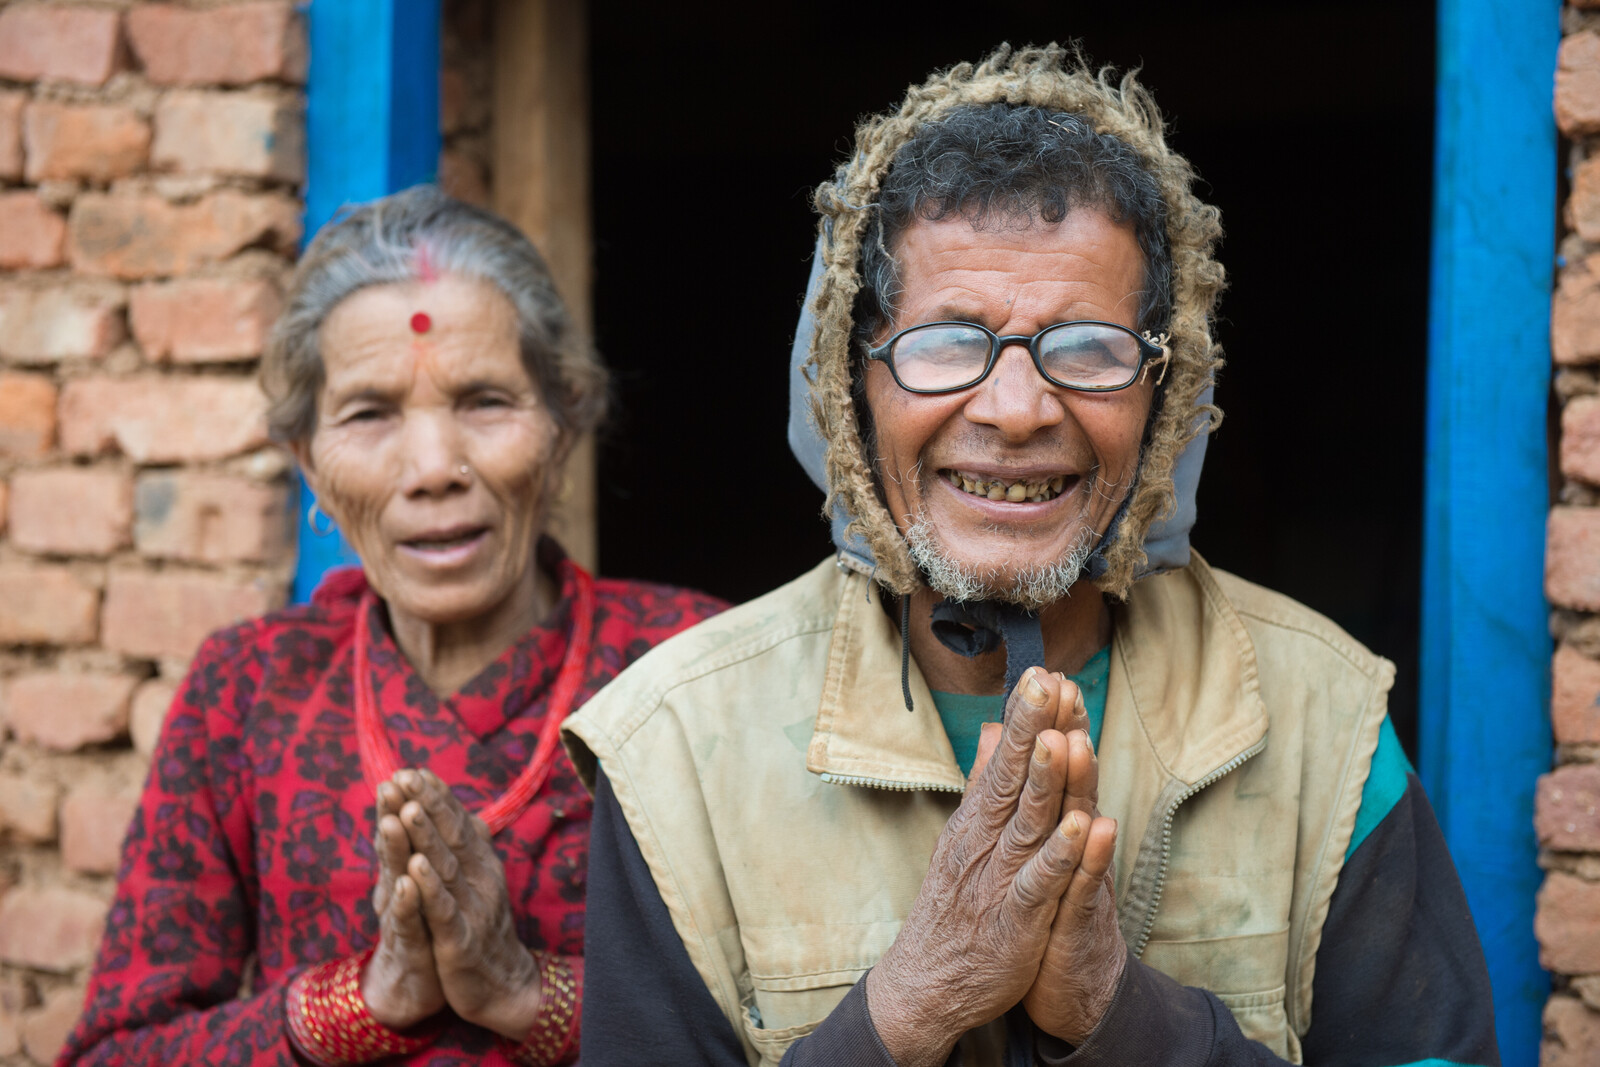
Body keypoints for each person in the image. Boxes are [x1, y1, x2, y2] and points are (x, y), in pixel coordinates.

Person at [564, 45, 1499, 1067]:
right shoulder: (678, 749)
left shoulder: (1319, 713)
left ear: (1165, 395)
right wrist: (906, 1005)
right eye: (945, 342)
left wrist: (1124, 1012)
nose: (1014, 410)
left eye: (1088, 347)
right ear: (849, 385)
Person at [59, 186, 725, 1067]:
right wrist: (360, 1002)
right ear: (308, 462)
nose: (433, 468)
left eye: (486, 400)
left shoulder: (695, 670)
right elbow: (114, 1052)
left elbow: (798, 1032)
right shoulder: (246, 690)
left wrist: (528, 992)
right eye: (370, 414)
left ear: (564, 424)